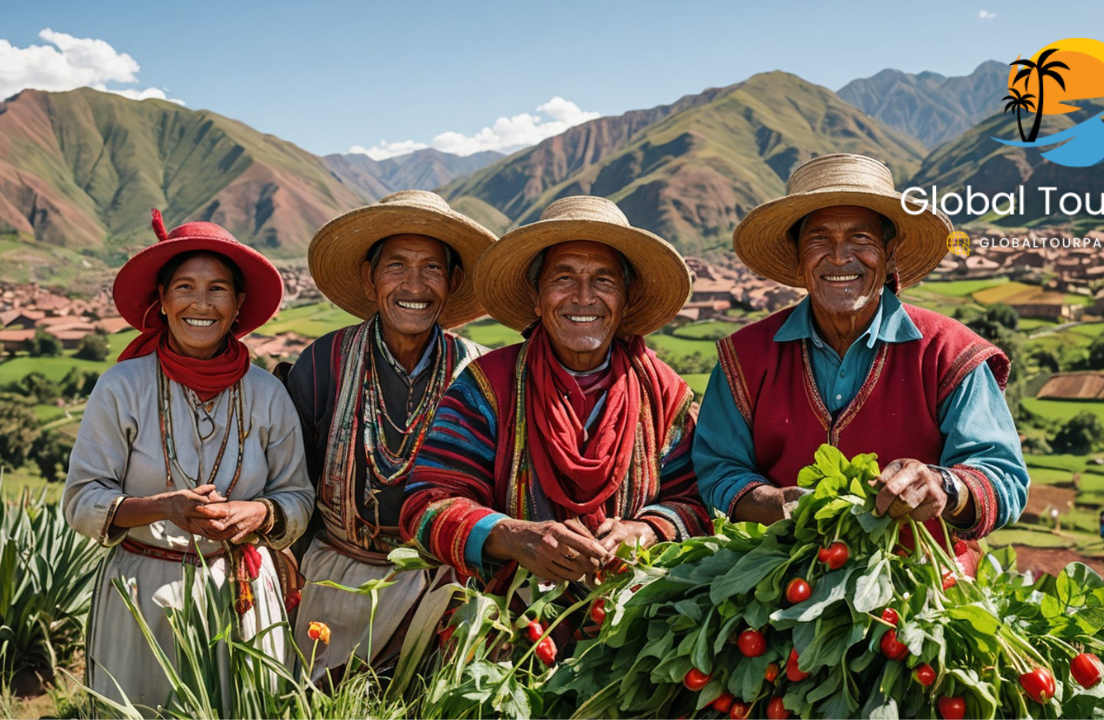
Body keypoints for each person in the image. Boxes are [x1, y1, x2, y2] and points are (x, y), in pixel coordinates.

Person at [693, 154, 1029, 570]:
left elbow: (1004, 477)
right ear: (798, 257)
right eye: (819, 239)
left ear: (890, 255)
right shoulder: (745, 358)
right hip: (780, 584)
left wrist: (945, 485)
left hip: (924, 590)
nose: (839, 256)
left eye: (861, 239)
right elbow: (717, 470)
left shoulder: (949, 352)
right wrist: (774, 503)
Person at [61, 211, 313, 710]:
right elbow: (82, 499)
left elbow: (298, 496)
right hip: (143, 594)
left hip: (242, 595)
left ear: (239, 303)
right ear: (162, 298)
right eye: (185, 287)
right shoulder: (122, 387)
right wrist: (162, 507)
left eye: (218, 289)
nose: (202, 303)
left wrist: (258, 513)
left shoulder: (266, 393)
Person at [400, 196, 711, 586]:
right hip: (512, 630)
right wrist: (511, 536)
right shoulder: (487, 387)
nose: (583, 296)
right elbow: (426, 506)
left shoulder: (663, 393)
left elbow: (699, 502)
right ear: (536, 297)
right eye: (563, 278)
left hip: (637, 625)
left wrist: (647, 531)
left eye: (604, 280)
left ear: (626, 299)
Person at [286, 191, 495, 679]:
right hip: (335, 586)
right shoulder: (323, 363)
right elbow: (294, 483)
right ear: (369, 277)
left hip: (444, 590)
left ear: (454, 281)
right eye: (396, 265)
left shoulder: (480, 373)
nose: (414, 285)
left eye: (432, 269)